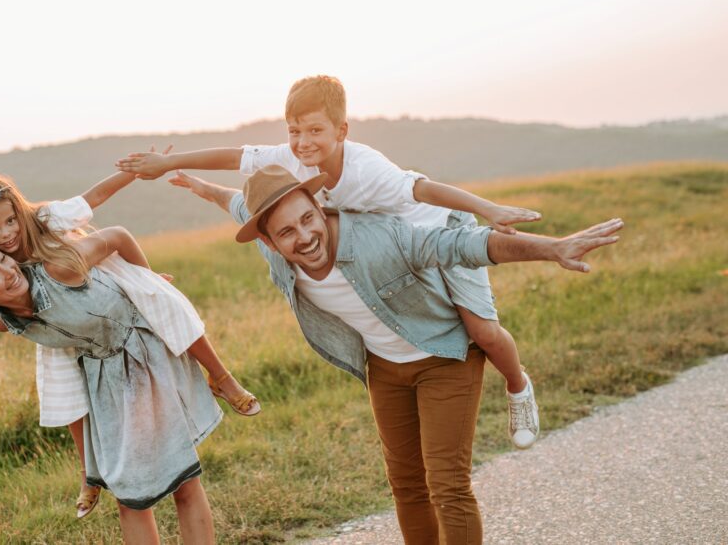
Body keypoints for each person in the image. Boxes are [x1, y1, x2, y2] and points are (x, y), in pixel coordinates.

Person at [167, 165, 622, 544]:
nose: (304, 236)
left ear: (319, 207)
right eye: (286, 232)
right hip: (385, 368)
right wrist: (200, 185)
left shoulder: (379, 238)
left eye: (309, 219)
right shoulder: (276, 255)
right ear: (268, 242)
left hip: (446, 353)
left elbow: (463, 246)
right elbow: (236, 202)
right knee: (406, 486)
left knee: (447, 484)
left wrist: (552, 248)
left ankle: (518, 384)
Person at [116, 75, 543, 448]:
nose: (302, 142)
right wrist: (173, 165)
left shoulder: (368, 169)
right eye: (294, 131)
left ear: (342, 130)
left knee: (481, 329)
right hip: (393, 250)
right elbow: (233, 159)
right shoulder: (290, 159)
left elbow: (427, 191)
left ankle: (518, 387)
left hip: (441, 229)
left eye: (315, 130)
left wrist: (490, 209)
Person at [0, 170, 258, 518]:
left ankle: (222, 377)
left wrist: (147, 278)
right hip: (55, 321)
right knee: (61, 388)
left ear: (20, 211)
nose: (6, 233)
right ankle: (89, 472)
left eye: (10, 221)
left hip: (97, 285)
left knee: (169, 307)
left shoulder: (45, 218)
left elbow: (95, 199)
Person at [0, 228, 222, 545]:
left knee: (184, 482)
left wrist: (149, 282)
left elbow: (117, 236)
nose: (8, 272)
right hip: (106, 388)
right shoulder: (5, 321)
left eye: (4, 259)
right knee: (128, 497)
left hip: (146, 361)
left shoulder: (57, 270)